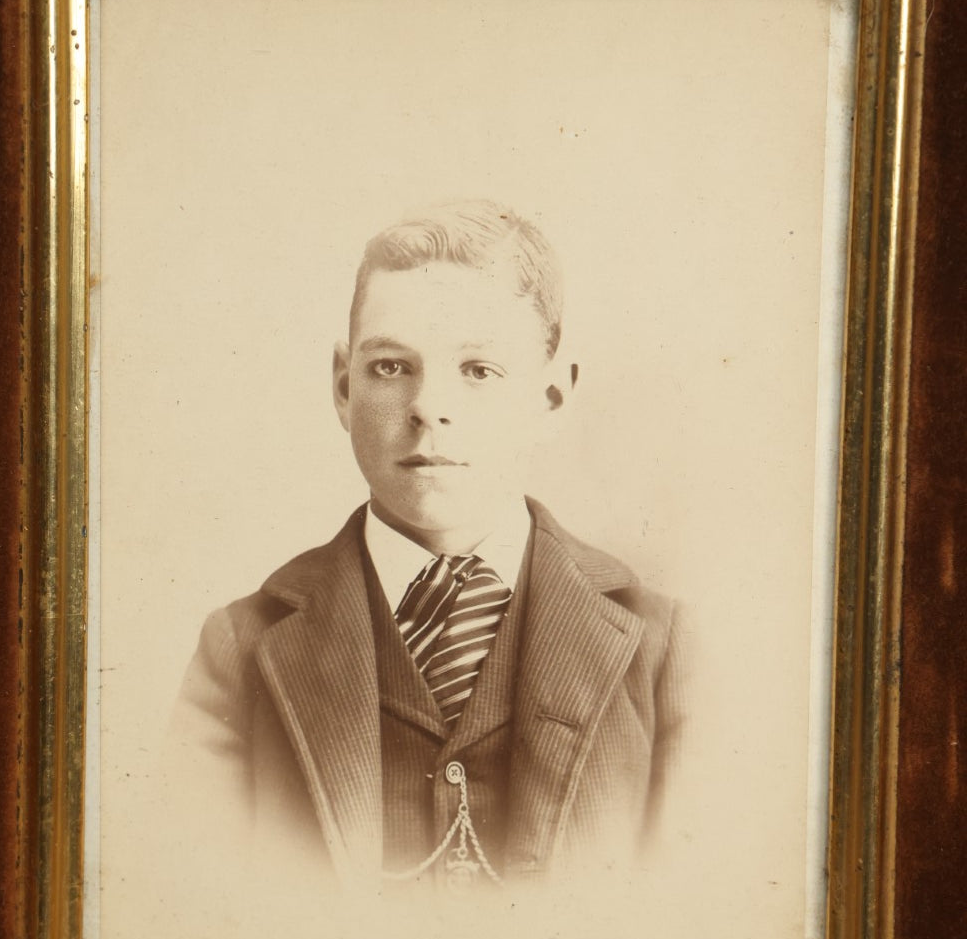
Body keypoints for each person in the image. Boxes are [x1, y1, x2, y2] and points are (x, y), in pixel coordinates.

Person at [169, 200, 686, 897]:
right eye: (390, 367)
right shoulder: (240, 650)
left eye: (478, 369)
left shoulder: (662, 650)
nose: (427, 405)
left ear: (552, 397)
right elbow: (192, 912)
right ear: (343, 386)